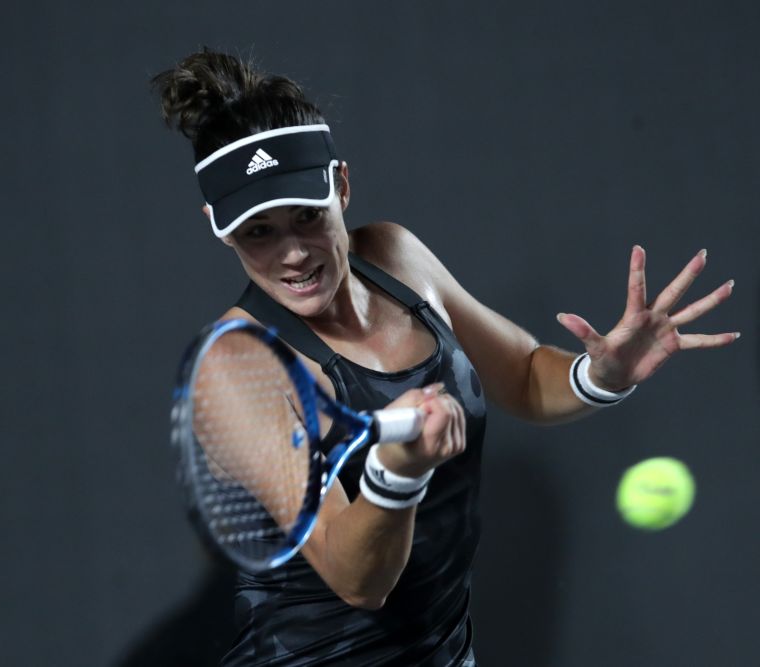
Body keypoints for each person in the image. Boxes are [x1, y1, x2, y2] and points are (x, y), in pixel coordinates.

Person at [151, 49, 738, 666]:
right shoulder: (240, 367)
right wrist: (400, 471)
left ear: (340, 185)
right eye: (259, 232)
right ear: (218, 227)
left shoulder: (394, 256)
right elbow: (358, 580)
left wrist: (600, 375)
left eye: (306, 216)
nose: (293, 253)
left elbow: (525, 377)